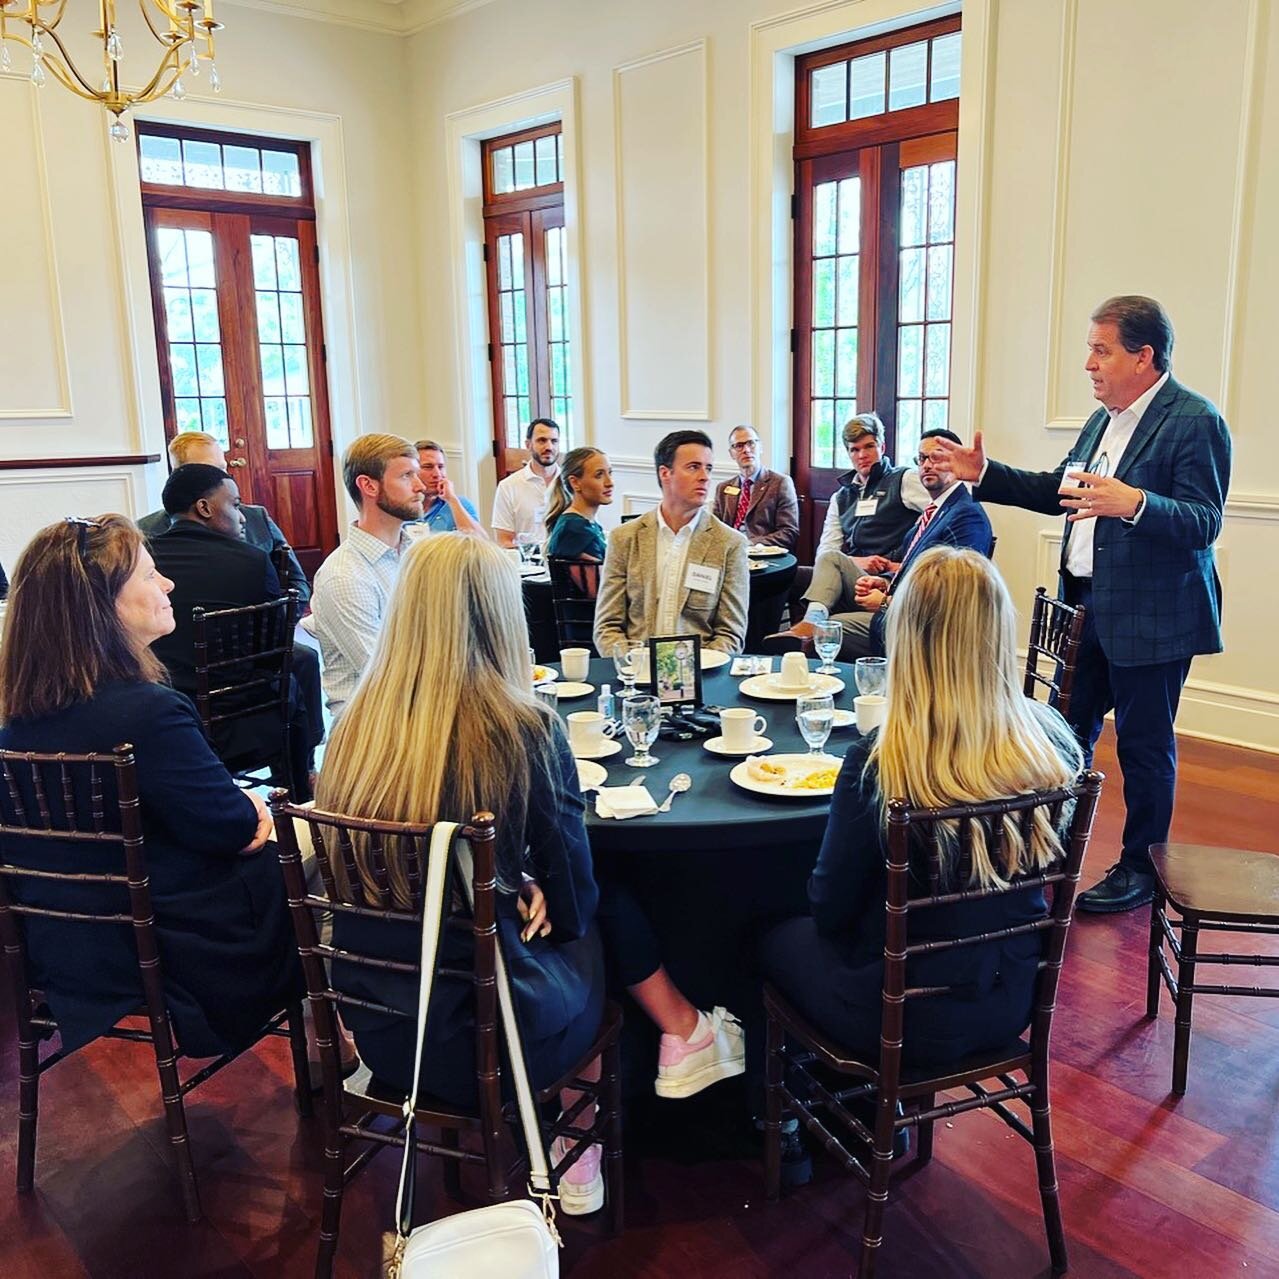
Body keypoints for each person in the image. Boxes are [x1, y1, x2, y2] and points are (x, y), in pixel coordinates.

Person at [316, 536, 742, 1215]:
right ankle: (575, 1149)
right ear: (500, 616)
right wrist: (528, 885)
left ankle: (678, 1038)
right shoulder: (522, 728)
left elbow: (394, 864)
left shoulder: (352, 730)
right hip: (494, 1040)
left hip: (385, 1029)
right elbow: (574, 905)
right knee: (597, 918)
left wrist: (506, 881)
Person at [932, 296, 1231, 913]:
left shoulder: (1194, 419)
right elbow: (1060, 491)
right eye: (1088, 350)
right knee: (1064, 735)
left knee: (1144, 747)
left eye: (1102, 350)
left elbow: (1204, 521)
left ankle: (1140, 870)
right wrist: (986, 473)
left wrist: (1138, 503)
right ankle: (1050, 846)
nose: (1088, 365)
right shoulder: (1103, 419)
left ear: (1143, 356)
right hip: (1085, 606)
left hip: (1154, 615)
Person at [760, 546, 1084, 1073]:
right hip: (1012, 999)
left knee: (765, 933)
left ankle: (784, 1124)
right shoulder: (1052, 746)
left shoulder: (883, 763)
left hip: (900, 1017)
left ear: (907, 640)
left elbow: (829, 907)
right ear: (999, 633)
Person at [0, 514, 302, 1059]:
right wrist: (253, 808)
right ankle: (353, 1043)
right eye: (149, 575)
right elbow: (230, 827)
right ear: (101, 607)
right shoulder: (149, 714)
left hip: (68, 948)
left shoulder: (14, 725)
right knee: (330, 855)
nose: (167, 585)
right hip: (177, 945)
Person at [149, 464, 322, 801]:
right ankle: (300, 792)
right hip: (241, 720)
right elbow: (276, 651)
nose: (243, 517)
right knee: (293, 678)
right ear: (205, 508)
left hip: (164, 714)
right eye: (236, 505)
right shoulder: (253, 562)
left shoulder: (145, 563)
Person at [768, 428, 993, 659]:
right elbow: (915, 570)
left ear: (955, 462)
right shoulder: (936, 511)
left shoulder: (965, 515)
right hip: (893, 591)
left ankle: (808, 661)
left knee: (830, 627)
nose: (926, 465)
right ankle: (798, 632)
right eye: (922, 458)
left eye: (935, 458)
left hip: (917, 624)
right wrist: (884, 582)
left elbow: (952, 596)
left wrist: (886, 602)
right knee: (820, 564)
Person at [593, 430, 749, 656]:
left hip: (703, 675)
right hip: (636, 674)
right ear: (665, 473)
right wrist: (631, 667)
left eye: (709, 468)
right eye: (694, 467)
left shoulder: (729, 543)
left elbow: (730, 634)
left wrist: (689, 673)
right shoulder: (625, 539)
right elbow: (607, 626)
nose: (705, 476)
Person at [310, 433, 429, 721]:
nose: (420, 486)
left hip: (419, 709)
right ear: (368, 486)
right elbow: (387, 675)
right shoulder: (344, 576)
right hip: (372, 729)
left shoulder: (416, 553)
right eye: (406, 476)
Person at [138, 430, 311, 605]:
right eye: (210, 469)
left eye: (223, 468)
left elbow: (298, 584)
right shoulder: (146, 532)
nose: (224, 477)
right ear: (179, 474)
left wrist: (277, 624)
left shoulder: (257, 518)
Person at [711, 426, 799, 550]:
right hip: (728, 553)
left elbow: (789, 532)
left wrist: (749, 544)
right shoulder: (723, 488)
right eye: (739, 446)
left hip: (763, 555)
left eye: (751, 443)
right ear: (731, 453)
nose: (746, 450)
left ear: (760, 447)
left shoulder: (780, 483)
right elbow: (714, 529)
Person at [492, 418, 562, 549]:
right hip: (526, 566)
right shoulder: (508, 486)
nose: (549, 447)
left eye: (554, 441)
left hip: (566, 564)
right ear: (528, 445)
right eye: (542, 440)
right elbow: (504, 540)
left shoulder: (572, 484)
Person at [545, 447, 614, 562]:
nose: (610, 482)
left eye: (610, 473)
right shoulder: (574, 528)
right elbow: (600, 577)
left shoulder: (585, 524)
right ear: (575, 482)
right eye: (599, 475)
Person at [414, 439, 486, 535]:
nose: (437, 474)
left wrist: (452, 500)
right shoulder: (402, 507)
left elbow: (481, 543)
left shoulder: (459, 504)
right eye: (428, 467)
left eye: (440, 467)